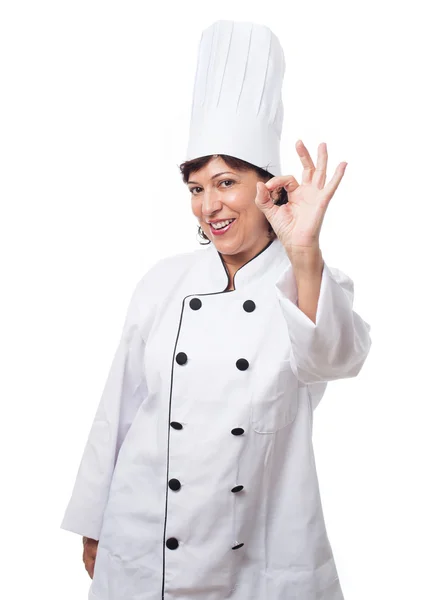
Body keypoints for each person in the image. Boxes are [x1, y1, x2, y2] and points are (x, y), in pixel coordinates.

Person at [61, 19, 372, 600]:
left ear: (266, 184)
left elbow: (336, 358)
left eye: (226, 183)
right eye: (197, 188)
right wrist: (92, 519)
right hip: (144, 540)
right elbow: (119, 409)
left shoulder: (303, 281)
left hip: (257, 553)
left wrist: (304, 251)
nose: (209, 205)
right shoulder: (163, 284)